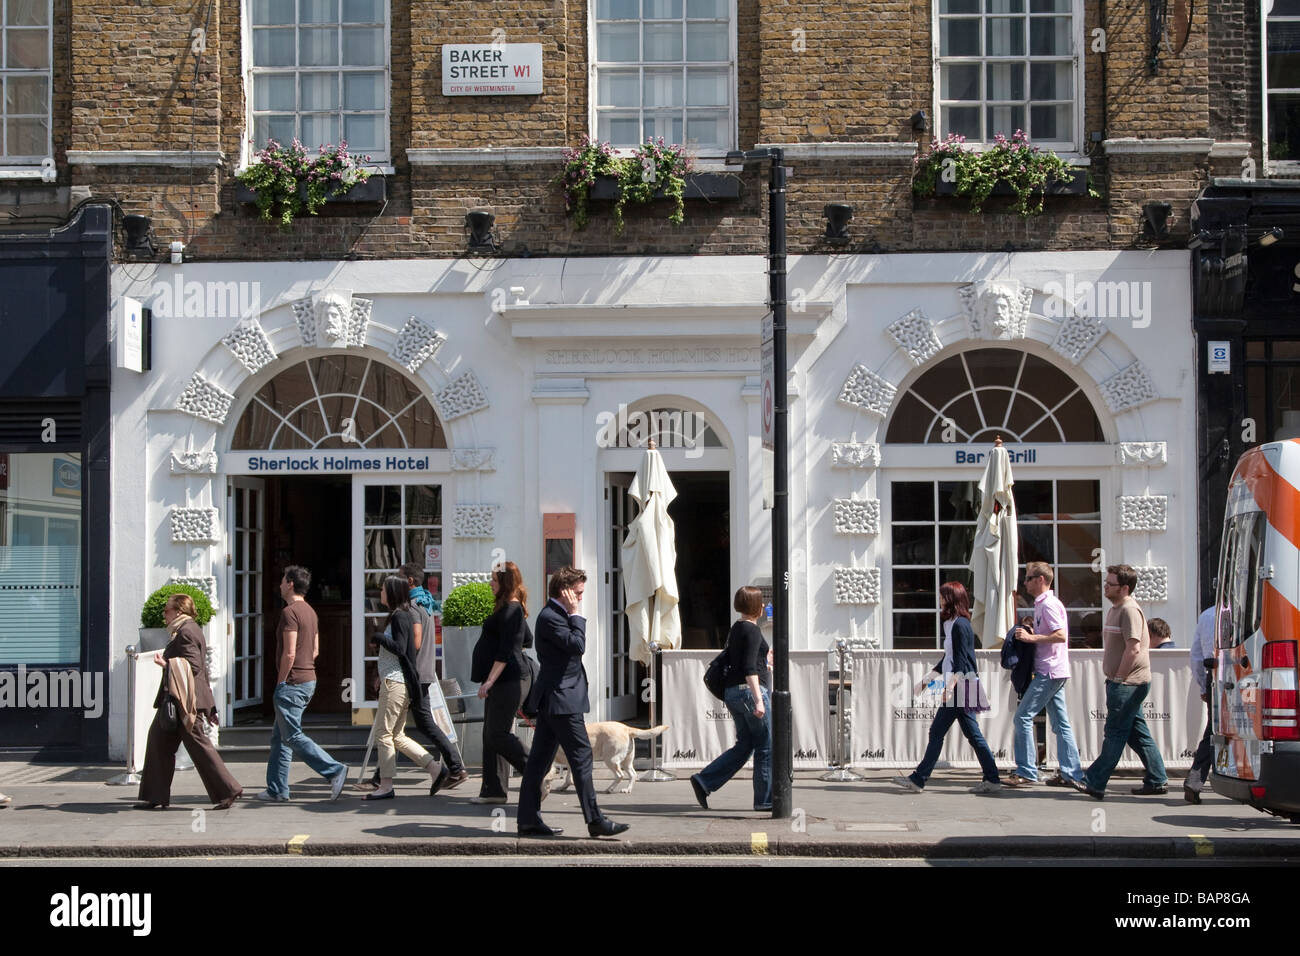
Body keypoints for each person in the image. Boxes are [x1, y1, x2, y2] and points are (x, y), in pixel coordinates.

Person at [516, 566, 629, 838]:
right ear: (564, 592)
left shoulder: (556, 615)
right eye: (577, 593)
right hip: (562, 701)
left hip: (557, 700)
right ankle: (595, 820)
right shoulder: (552, 617)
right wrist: (576, 614)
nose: (580, 598)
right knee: (581, 758)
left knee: (539, 763)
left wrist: (573, 613)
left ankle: (529, 820)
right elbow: (578, 645)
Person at [364, 562, 468, 794]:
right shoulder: (425, 604)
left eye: (400, 577)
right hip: (418, 673)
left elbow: (413, 644)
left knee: (412, 726)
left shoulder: (411, 608)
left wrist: (380, 638)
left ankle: (453, 766)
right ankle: (432, 769)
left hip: (413, 675)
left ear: (409, 582)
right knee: (398, 731)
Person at [893, 581, 1002, 794]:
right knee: (971, 734)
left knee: (939, 732)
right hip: (962, 684)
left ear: (951, 599)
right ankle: (992, 777)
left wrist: (950, 687)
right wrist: (927, 681)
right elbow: (949, 659)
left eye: (943, 596)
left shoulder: (960, 625)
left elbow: (960, 661)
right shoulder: (952, 624)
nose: (939, 599)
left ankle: (919, 779)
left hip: (962, 686)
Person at [137, 593, 242, 810]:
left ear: (178, 611)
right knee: (158, 741)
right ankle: (154, 796)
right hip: (178, 699)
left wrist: (166, 665)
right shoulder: (187, 629)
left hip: (184, 702)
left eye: (166, 610)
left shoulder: (186, 631)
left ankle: (229, 789)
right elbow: (201, 671)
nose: (164, 614)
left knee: (199, 746)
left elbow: (194, 667)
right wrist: (210, 704)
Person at [1074, 564, 1168, 800]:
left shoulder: (1129, 610)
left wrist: (1119, 679)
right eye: (1106, 582)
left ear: (1125, 588)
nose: (1105, 586)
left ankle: (1094, 781)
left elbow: (1134, 648)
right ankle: (1157, 779)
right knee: (1137, 734)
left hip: (1128, 683)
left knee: (1114, 733)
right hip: (1126, 682)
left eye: (1110, 583)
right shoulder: (1116, 608)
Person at [256, 565, 348, 802]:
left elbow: (289, 653)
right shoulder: (310, 611)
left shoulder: (290, 613)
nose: (278, 584)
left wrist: (281, 682)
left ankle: (334, 770)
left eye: (281, 580)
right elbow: (315, 650)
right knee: (281, 736)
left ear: (290, 584)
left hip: (293, 682)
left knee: (292, 736)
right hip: (308, 679)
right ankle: (277, 789)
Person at [689, 586, 772, 812]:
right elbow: (748, 667)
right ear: (756, 607)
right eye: (761, 602)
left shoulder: (737, 628)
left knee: (745, 744)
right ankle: (765, 800)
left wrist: (765, 658)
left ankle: (705, 780)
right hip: (749, 691)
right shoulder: (753, 631)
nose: (764, 605)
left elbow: (745, 658)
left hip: (733, 693)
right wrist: (759, 700)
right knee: (765, 746)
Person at [1003, 562, 1083, 789]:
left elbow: (1060, 635)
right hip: (1053, 669)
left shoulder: (1047, 604)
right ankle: (1071, 773)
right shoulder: (1045, 604)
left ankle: (1027, 771)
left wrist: (1031, 638)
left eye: (1028, 578)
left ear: (1040, 580)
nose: (1025, 583)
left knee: (1022, 717)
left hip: (1049, 670)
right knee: (1060, 723)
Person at [471, 561, 535, 805]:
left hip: (509, 680)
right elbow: (526, 639)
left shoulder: (511, 610)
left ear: (505, 583)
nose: (490, 584)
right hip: (505, 680)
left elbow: (506, 652)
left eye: (494, 580)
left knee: (497, 734)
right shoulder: (509, 609)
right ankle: (493, 790)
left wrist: (488, 681)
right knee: (491, 734)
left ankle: (535, 773)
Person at [1184, 605, 1217, 804]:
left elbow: (1196, 655)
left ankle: (1195, 780)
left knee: (1213, 731)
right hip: (1243, 672)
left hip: (1215, 676)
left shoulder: (1207, 615)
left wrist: (1203, 685)